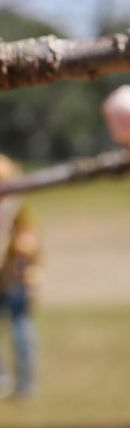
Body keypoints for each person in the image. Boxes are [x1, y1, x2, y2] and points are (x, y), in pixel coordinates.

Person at [0, 156, 41, 399]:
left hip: (15, 280)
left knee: (20, 329)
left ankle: (26, 382)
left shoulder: (18, 209)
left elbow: (27, 244)